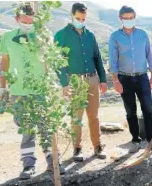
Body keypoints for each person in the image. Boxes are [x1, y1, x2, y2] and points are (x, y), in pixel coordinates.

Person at [0, 3, 65, 179]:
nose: (28, 25)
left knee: (46, 127)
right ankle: (28, 165)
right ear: (17, 19)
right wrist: (2, 86)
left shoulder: (43, 36)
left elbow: (51, 61)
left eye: (31, 22)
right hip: (19, 91)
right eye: (24, 21)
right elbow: (4, 62)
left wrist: (52, 86)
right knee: (27, 128)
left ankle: (54, 162)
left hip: (41, 90)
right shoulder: (7, 38)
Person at [54, 2, 107, 161]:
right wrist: (64, 83)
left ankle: (97, 146)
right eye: (78, 18)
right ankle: (77, 149)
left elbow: (98, 58)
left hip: (92, 79)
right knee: (76, 117)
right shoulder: (61, 35)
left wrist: (103, 80)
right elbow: (58, 62)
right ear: (71, 16)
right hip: (74, 80)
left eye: (84, 19)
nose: (81, 21)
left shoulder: (90, 35)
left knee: (94, 116)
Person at [109, 5, 152, 153]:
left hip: (142, 77)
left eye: (131, 17)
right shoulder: (115, 36)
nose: (128, 20)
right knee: (130, 111)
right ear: (120, 18)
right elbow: (113, 60)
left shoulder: (143, 34)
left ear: (135, 17)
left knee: (148, 109)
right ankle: (135, 140)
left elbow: (149, 55)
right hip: (124, 78)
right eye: (125, 18)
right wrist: (115, 80)